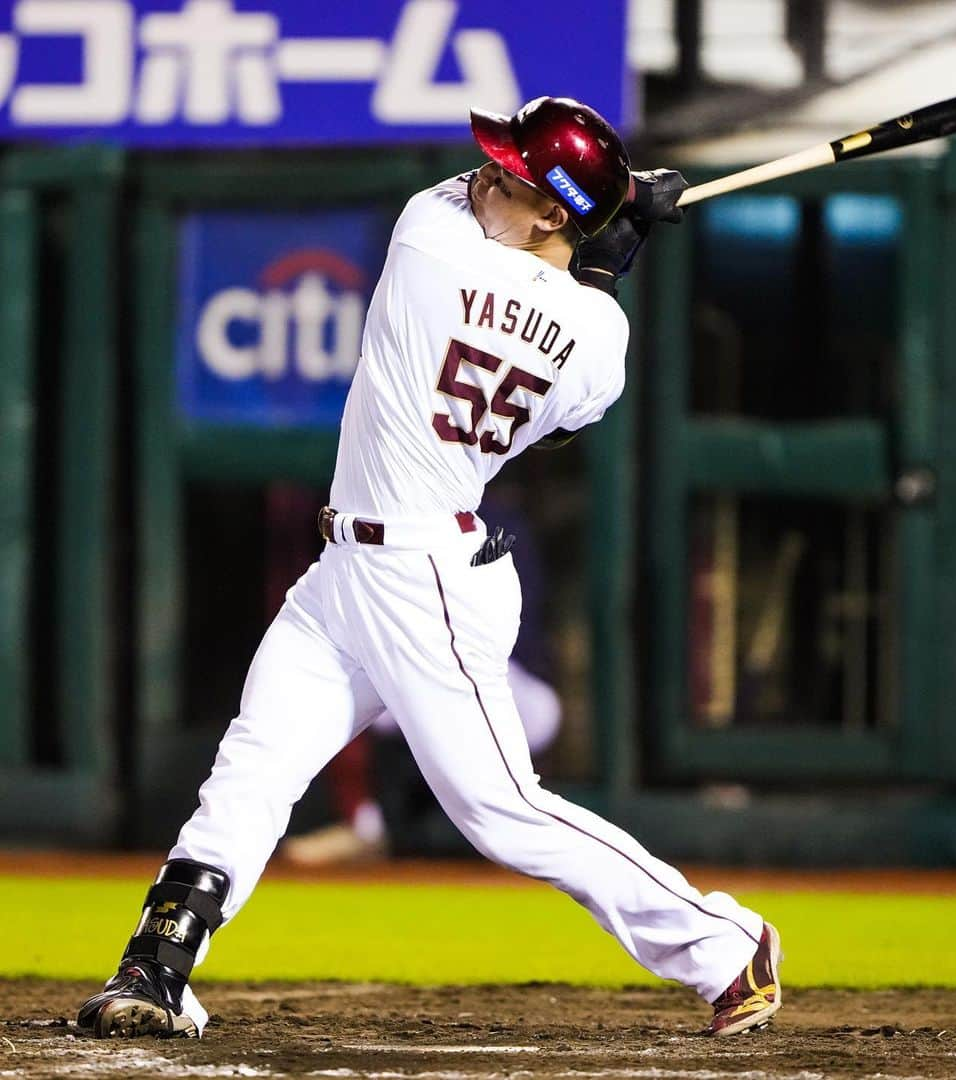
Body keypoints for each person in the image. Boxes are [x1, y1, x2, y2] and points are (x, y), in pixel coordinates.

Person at [77, 96, 782, 1041]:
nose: (486, 175)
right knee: (253, 766)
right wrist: (612, 232)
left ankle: (723, 942)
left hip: (425, 580)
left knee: (501, 810)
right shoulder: (602, 345)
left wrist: (619, 216)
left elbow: (514, 245)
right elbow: (575, 361)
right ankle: (156, 970)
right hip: (349, 573)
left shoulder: (428, 240)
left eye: (513, 177)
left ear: (550, 213)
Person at [282, 491, 562, 865]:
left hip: (507, 678)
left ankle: (523, 824)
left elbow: (513, 632)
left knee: (501, 708)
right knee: (366, 687)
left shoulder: (497, 519)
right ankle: (369, 825)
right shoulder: (386, 519)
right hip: (422, 668)